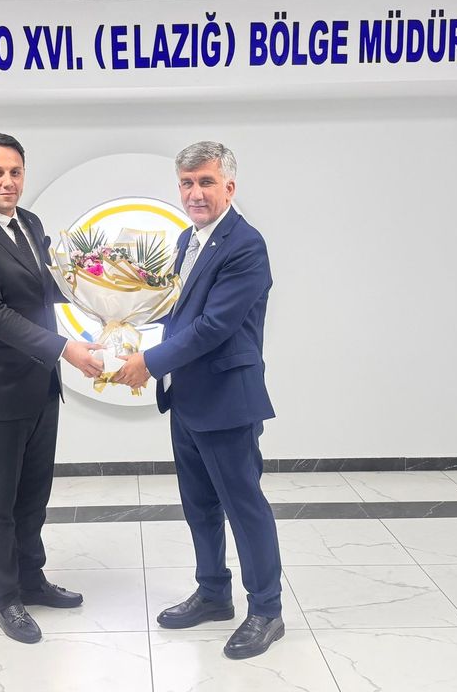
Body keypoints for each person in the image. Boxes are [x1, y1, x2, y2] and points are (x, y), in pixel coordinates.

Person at [113, 141, 283, 660]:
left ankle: (267, 610)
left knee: (243, 506)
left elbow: (213, 327)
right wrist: (118, 322)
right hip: (186, 398)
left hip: (227, 400)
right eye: (187, 183)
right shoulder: (188, 238)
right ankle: (213, 594)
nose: (195, 193)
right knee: (200, 505)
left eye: (206, 182)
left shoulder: (245, 245)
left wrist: (148, 362)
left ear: (229, 186)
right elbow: (177, 311)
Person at [0, 132, 104, 644]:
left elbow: (49, 288)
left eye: (15, 172)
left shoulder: (30, 224)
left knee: (33, 495)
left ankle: (32, 580)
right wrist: (65, 349)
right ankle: (5, 598)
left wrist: (111, 295)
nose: (8, 181)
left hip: (40, 386)